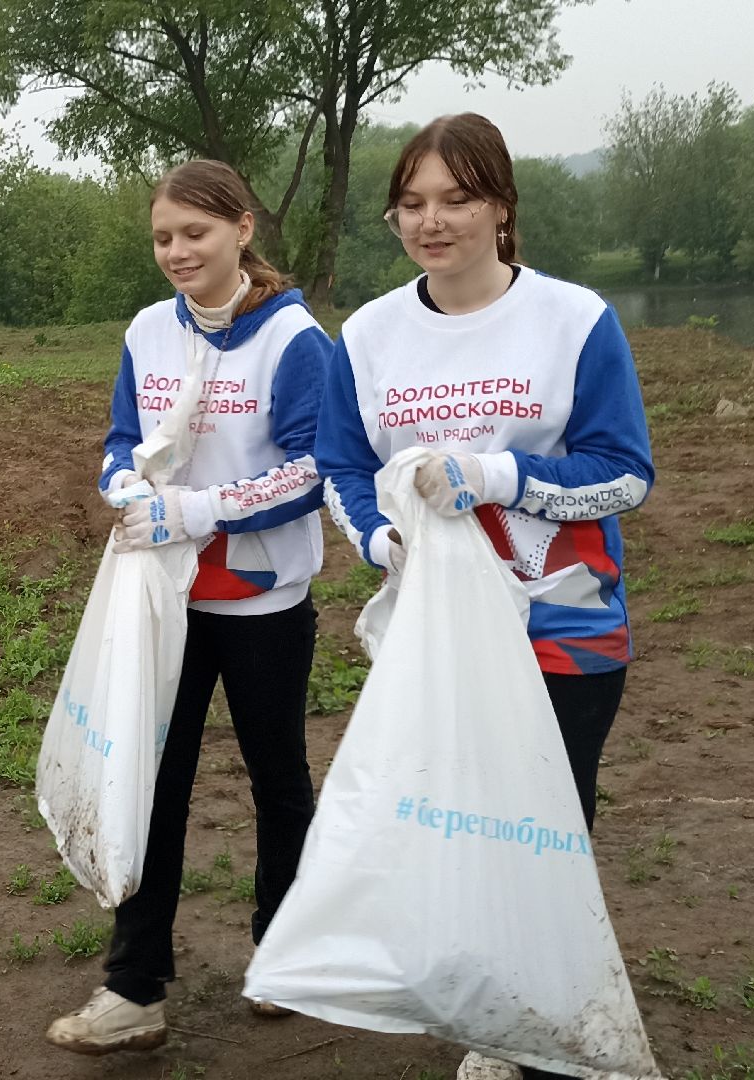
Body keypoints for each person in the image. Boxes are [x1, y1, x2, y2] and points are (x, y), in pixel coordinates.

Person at [313, 114, 654, 1080]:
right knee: (463, 824)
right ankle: (498, 1018)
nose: (434, 221)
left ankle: (549, 1019)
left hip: (565, 623)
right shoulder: (371, 337)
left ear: (501, 205)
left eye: (458, 199)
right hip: (440, 633)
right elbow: (341, 461)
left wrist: (502, 477)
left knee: (546, 827)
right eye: (413, 203)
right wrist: (382, 540)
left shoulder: (573, 320)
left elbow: (626, 474)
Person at [44, 159, 331, 1055]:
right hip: (161, 601)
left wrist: (203, 509)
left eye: (195, 233)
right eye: (163, 236)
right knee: (148, 780)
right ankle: (134, 990)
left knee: (277, 779)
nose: (176, 251)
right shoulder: (146, 331)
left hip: (260, 600)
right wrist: (124, 481)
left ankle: (285, 953)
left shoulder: (294, 340)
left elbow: (316, 468)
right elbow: (122, 436)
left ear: (243, 230)